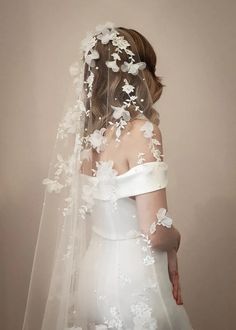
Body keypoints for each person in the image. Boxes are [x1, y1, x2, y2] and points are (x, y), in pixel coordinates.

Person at [22, 22, 194, 329]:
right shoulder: (143, 132)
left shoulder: (89, 141)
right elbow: (154, 232)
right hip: (135, 285)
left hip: (94, 277)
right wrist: (176, 240)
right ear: (140, 74)